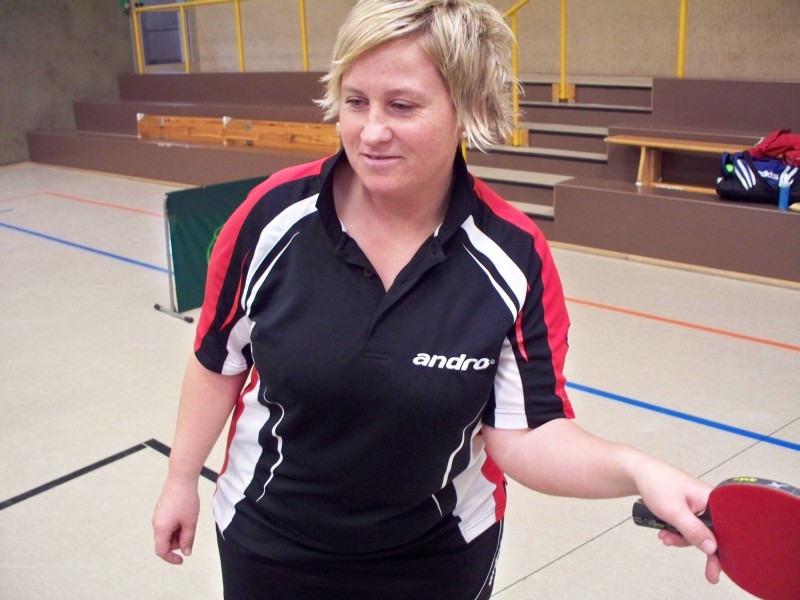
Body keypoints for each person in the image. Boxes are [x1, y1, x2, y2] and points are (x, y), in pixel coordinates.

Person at [152, 1, 721, 598]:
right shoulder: (270, 217)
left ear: (468, 109)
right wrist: (180, 479)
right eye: (355, 102)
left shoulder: (513, 256)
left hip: (437, 557)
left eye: (402, 106)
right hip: (269, 542)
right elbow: (217, 362)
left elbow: (526, 435)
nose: (371, 132)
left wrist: (637, 469)